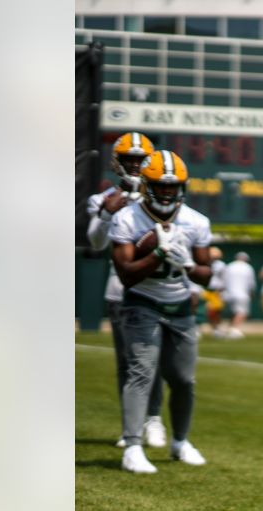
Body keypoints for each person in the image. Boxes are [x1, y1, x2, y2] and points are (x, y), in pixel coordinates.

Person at [109, 150, 212, 473]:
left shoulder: (196, 221)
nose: (167, 192)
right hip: (142, 300)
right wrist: (158, 254)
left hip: (179, 302)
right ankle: (133, 446)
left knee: (183, 379)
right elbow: (126, 274)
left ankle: (180, 442)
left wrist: (188, 263)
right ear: (147, 185)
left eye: (173, 186)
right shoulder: (127, 218)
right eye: (161, 185)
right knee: (141, 372)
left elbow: (207, 275)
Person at [86, 132, 167, 450]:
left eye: (140, 159)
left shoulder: (162, 192)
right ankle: (130, 425)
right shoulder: (103, 198)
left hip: (157, 288)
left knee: (154, 361)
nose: (134, 164)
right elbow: (95, 243)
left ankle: (154, 419)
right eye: (129, 159)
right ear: (117, 162)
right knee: (128, 364)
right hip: (121, 288)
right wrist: (107, 212)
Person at [221, 251, 256, 338]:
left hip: (229, 294)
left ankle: (231, 328)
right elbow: (251, 283)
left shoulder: (229, 266)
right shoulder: (248, 268)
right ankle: (235, 329)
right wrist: (251, 293)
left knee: (233, 312)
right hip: (242, 294)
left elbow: (223, 281)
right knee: (241, 312)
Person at [203, 246, 227, 338]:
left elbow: (224, 279)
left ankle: (216, 329)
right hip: (204, 289)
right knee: (200, 310)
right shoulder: (204, 263)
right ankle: (197, 328)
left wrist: (221, 291)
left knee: (215, 312)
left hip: (215, 291)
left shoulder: (221, 265)